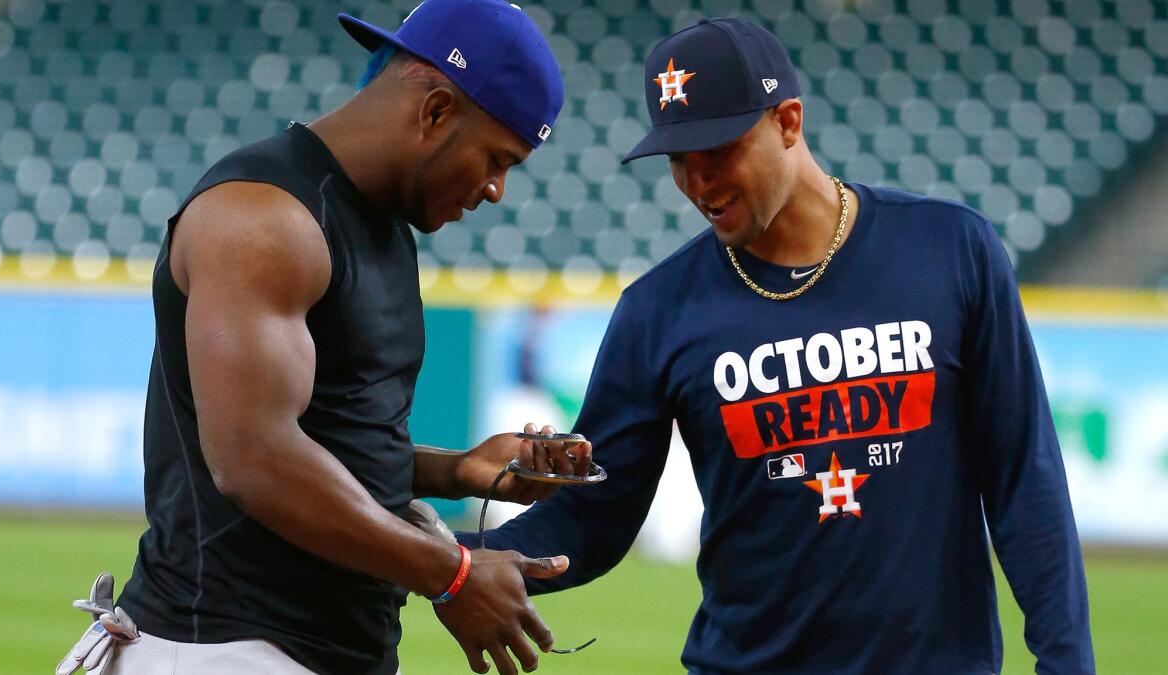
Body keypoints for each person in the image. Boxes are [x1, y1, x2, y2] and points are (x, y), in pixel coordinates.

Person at [461, 17, 1096, 674]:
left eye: (717, 151)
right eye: (679, 160)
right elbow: (591, 520)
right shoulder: (656, 311)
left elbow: (1027, 483)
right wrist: (434, 556)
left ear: (788, 122)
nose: (699, 184)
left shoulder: (953, 251)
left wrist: (1067, 662)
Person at [57, 2, 591, 675]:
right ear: (434, 112)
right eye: (498, 158)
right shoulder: (261, 215)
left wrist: (459, 468)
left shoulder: (383, 227)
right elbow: (254, 457)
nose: (495, 189)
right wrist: (451, 571)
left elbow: (328, 437)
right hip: (220, 648)